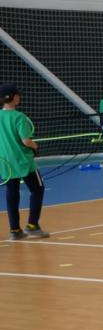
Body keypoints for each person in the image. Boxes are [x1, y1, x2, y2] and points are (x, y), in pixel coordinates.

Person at [1, 84, 49, 240]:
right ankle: (32, 226)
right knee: (38, 189)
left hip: (6, 163)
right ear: (14, 97)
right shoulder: (19, 117)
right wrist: (35, 146)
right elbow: (26, 141)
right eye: (17, 95)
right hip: (23, 161)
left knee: (12, 194)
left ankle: (15, 230)